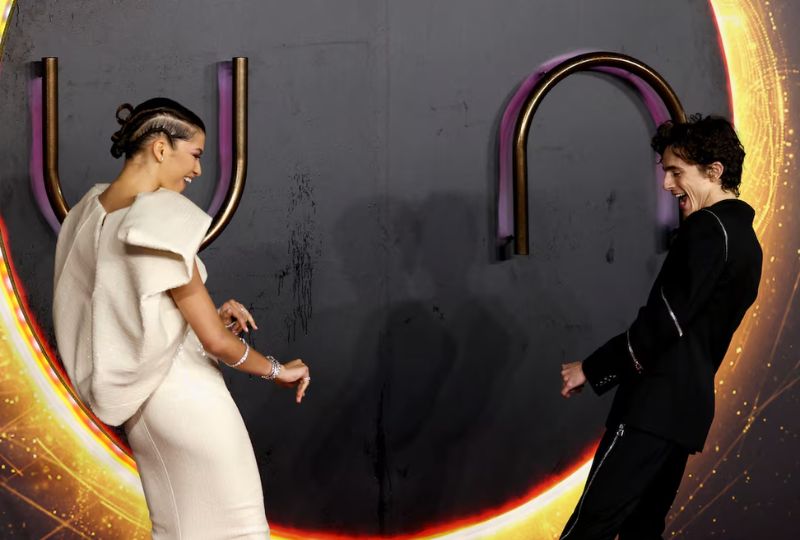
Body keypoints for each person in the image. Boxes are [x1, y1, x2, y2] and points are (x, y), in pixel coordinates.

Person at [52, 97, 310, 539]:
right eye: (194, 154)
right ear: (160, 147)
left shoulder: (86, 212)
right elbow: (216, 342)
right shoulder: (161, 218)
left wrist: (206, 312)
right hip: (189, 398)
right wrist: (277, 370)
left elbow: (121, 310)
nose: (197, 170)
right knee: (240, 529)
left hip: (143, 409)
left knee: (179, 530)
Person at [558, 114, 762, 539]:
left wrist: (592, 369)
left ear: (714, 171)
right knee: (642, 529)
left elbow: (664, 321)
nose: (668, 185)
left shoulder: (707, 228)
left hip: (652, 406)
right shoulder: (746, 241)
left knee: (590, 527)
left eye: (676, 172)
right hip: (685, 411)